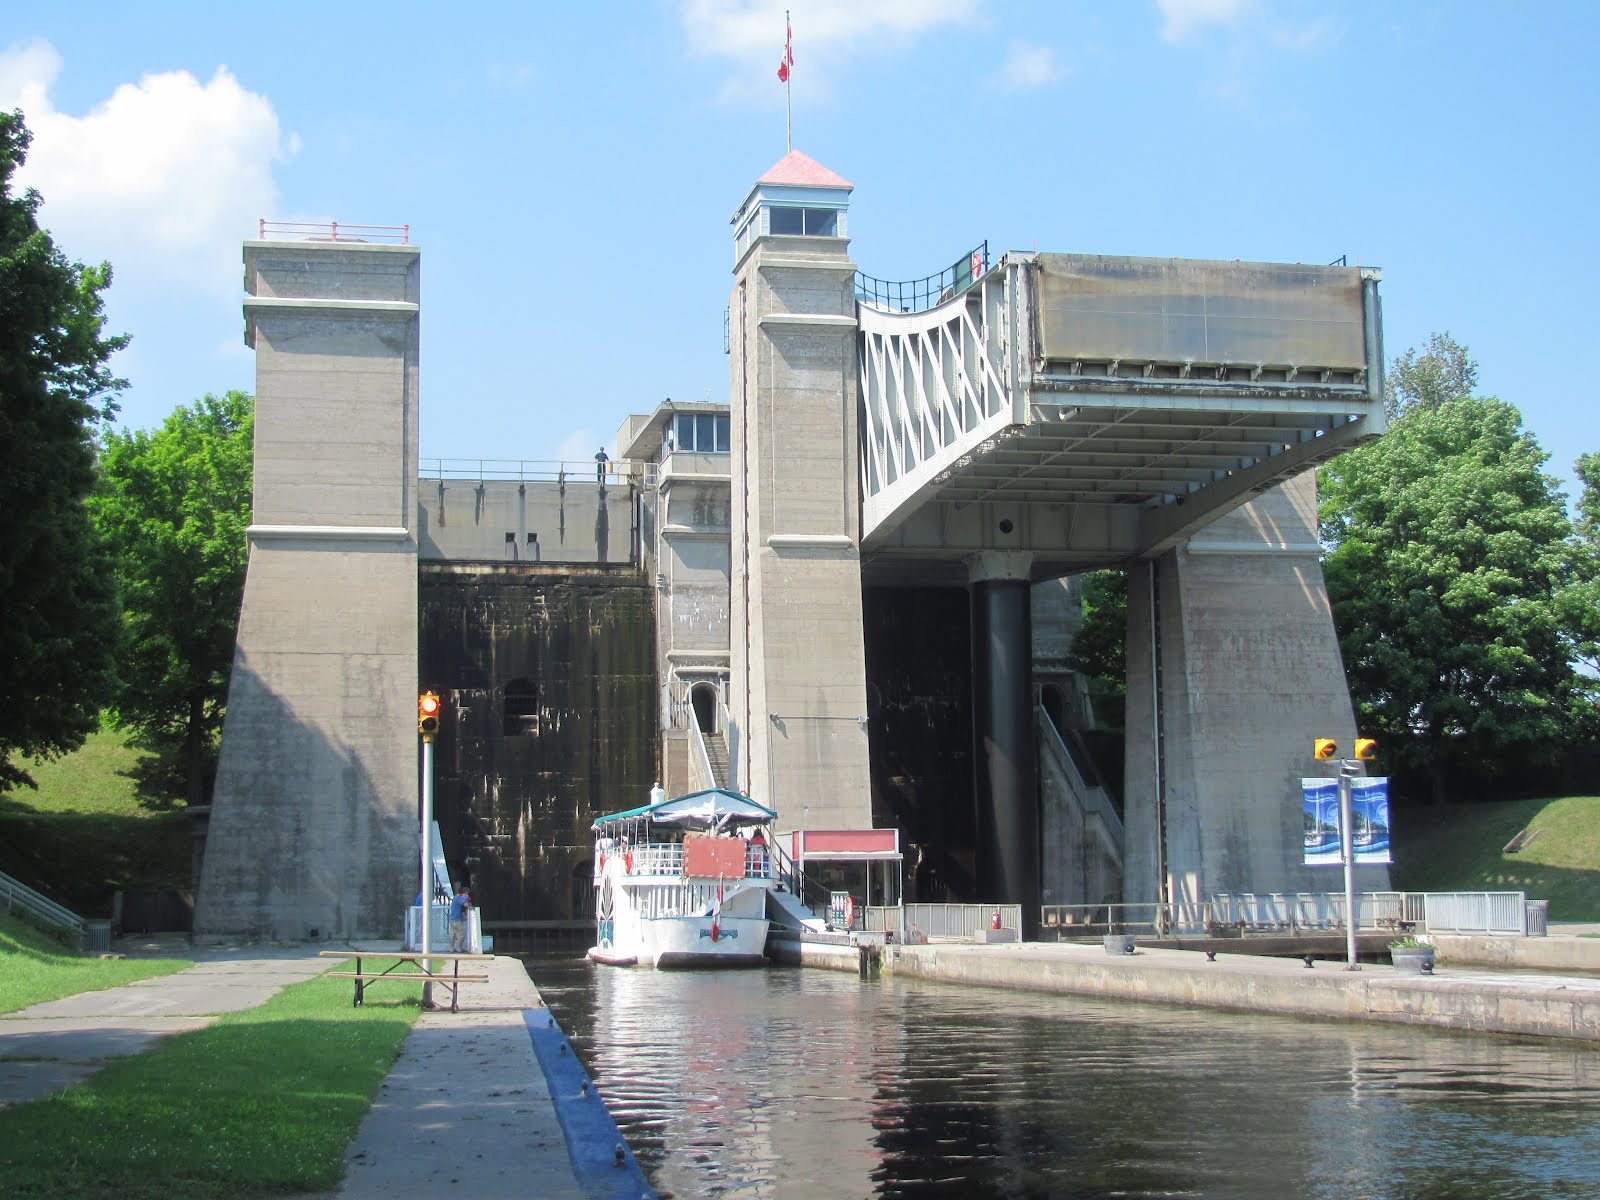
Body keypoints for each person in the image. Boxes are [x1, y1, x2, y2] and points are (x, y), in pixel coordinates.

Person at [449, 886, 472, 952]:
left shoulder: (456, 896)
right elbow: (466, 905)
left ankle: (452, 948)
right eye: (467, 893)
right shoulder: (461, 897)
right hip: (457, 919)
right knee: (462, 934)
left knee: (452, 934)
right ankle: (459, 948)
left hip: (452, 918)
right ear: (465, 892)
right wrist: (468, 900)